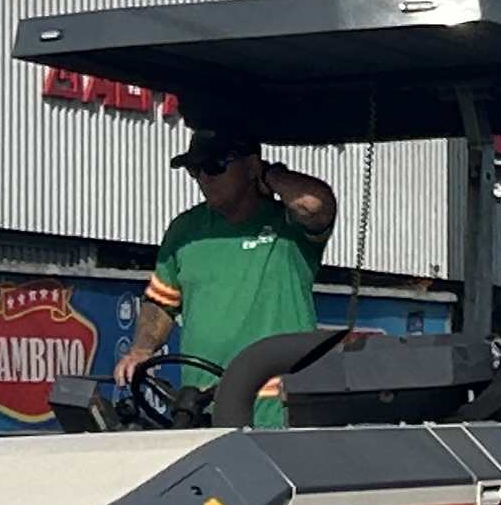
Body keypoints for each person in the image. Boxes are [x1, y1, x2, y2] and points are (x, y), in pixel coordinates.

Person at [119, 130, 340, 420]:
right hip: (201, 406)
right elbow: (162, 302)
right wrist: (140, 349)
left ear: (250, 167)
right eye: (195, 170)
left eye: (215, 166)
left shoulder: (288, 225)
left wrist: (270, 174)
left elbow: (315, 204)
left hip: (280, 409)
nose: (204, 178)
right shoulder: (185, 231)